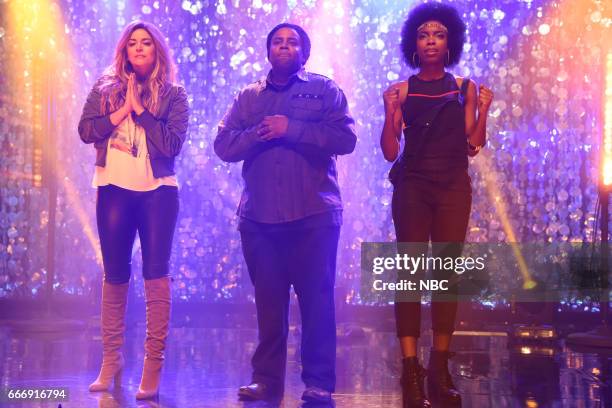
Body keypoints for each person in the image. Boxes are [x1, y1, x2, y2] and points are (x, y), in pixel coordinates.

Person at [214, 23, 356, 405]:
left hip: (314, 216)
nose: (284, 46)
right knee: (269, 304)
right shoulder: (248, 97)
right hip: (260, 220)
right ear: (268, 51)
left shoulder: (324, 90)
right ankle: (266, 381)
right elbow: (223, 145)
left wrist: (290, 128)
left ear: (304, 52)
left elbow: (346, 138)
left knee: (317, 303)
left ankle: (319, 382)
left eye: (292, 41)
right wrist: (259, 134)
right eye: (277, 41)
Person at [380, 3, 493, 407]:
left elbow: (473, 146)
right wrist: (390, 110)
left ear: (450, 44)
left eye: (439, 34)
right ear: (415, 42)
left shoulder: (464, 87)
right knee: (410, 275)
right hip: (412, 186)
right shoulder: (405, 89)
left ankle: (439, 366)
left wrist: (484, 109)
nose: (431, 40)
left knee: (445, 277)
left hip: (452, 187)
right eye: (425, 34)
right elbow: (390, 151)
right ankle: (411, 370)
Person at [78, 20, 189, 400]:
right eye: (132, 44)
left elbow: (172, 144)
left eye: (146, 43)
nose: (139, 49)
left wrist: (140, 111)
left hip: (157, 191)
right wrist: (122, 108)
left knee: (156, 275)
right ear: (124, 52)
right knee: (115, 275)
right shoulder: (105, 88)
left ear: (157, 50)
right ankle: (111, 360)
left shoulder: (174, 94)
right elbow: (86, 130)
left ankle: (152, 364)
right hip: (113, 189)